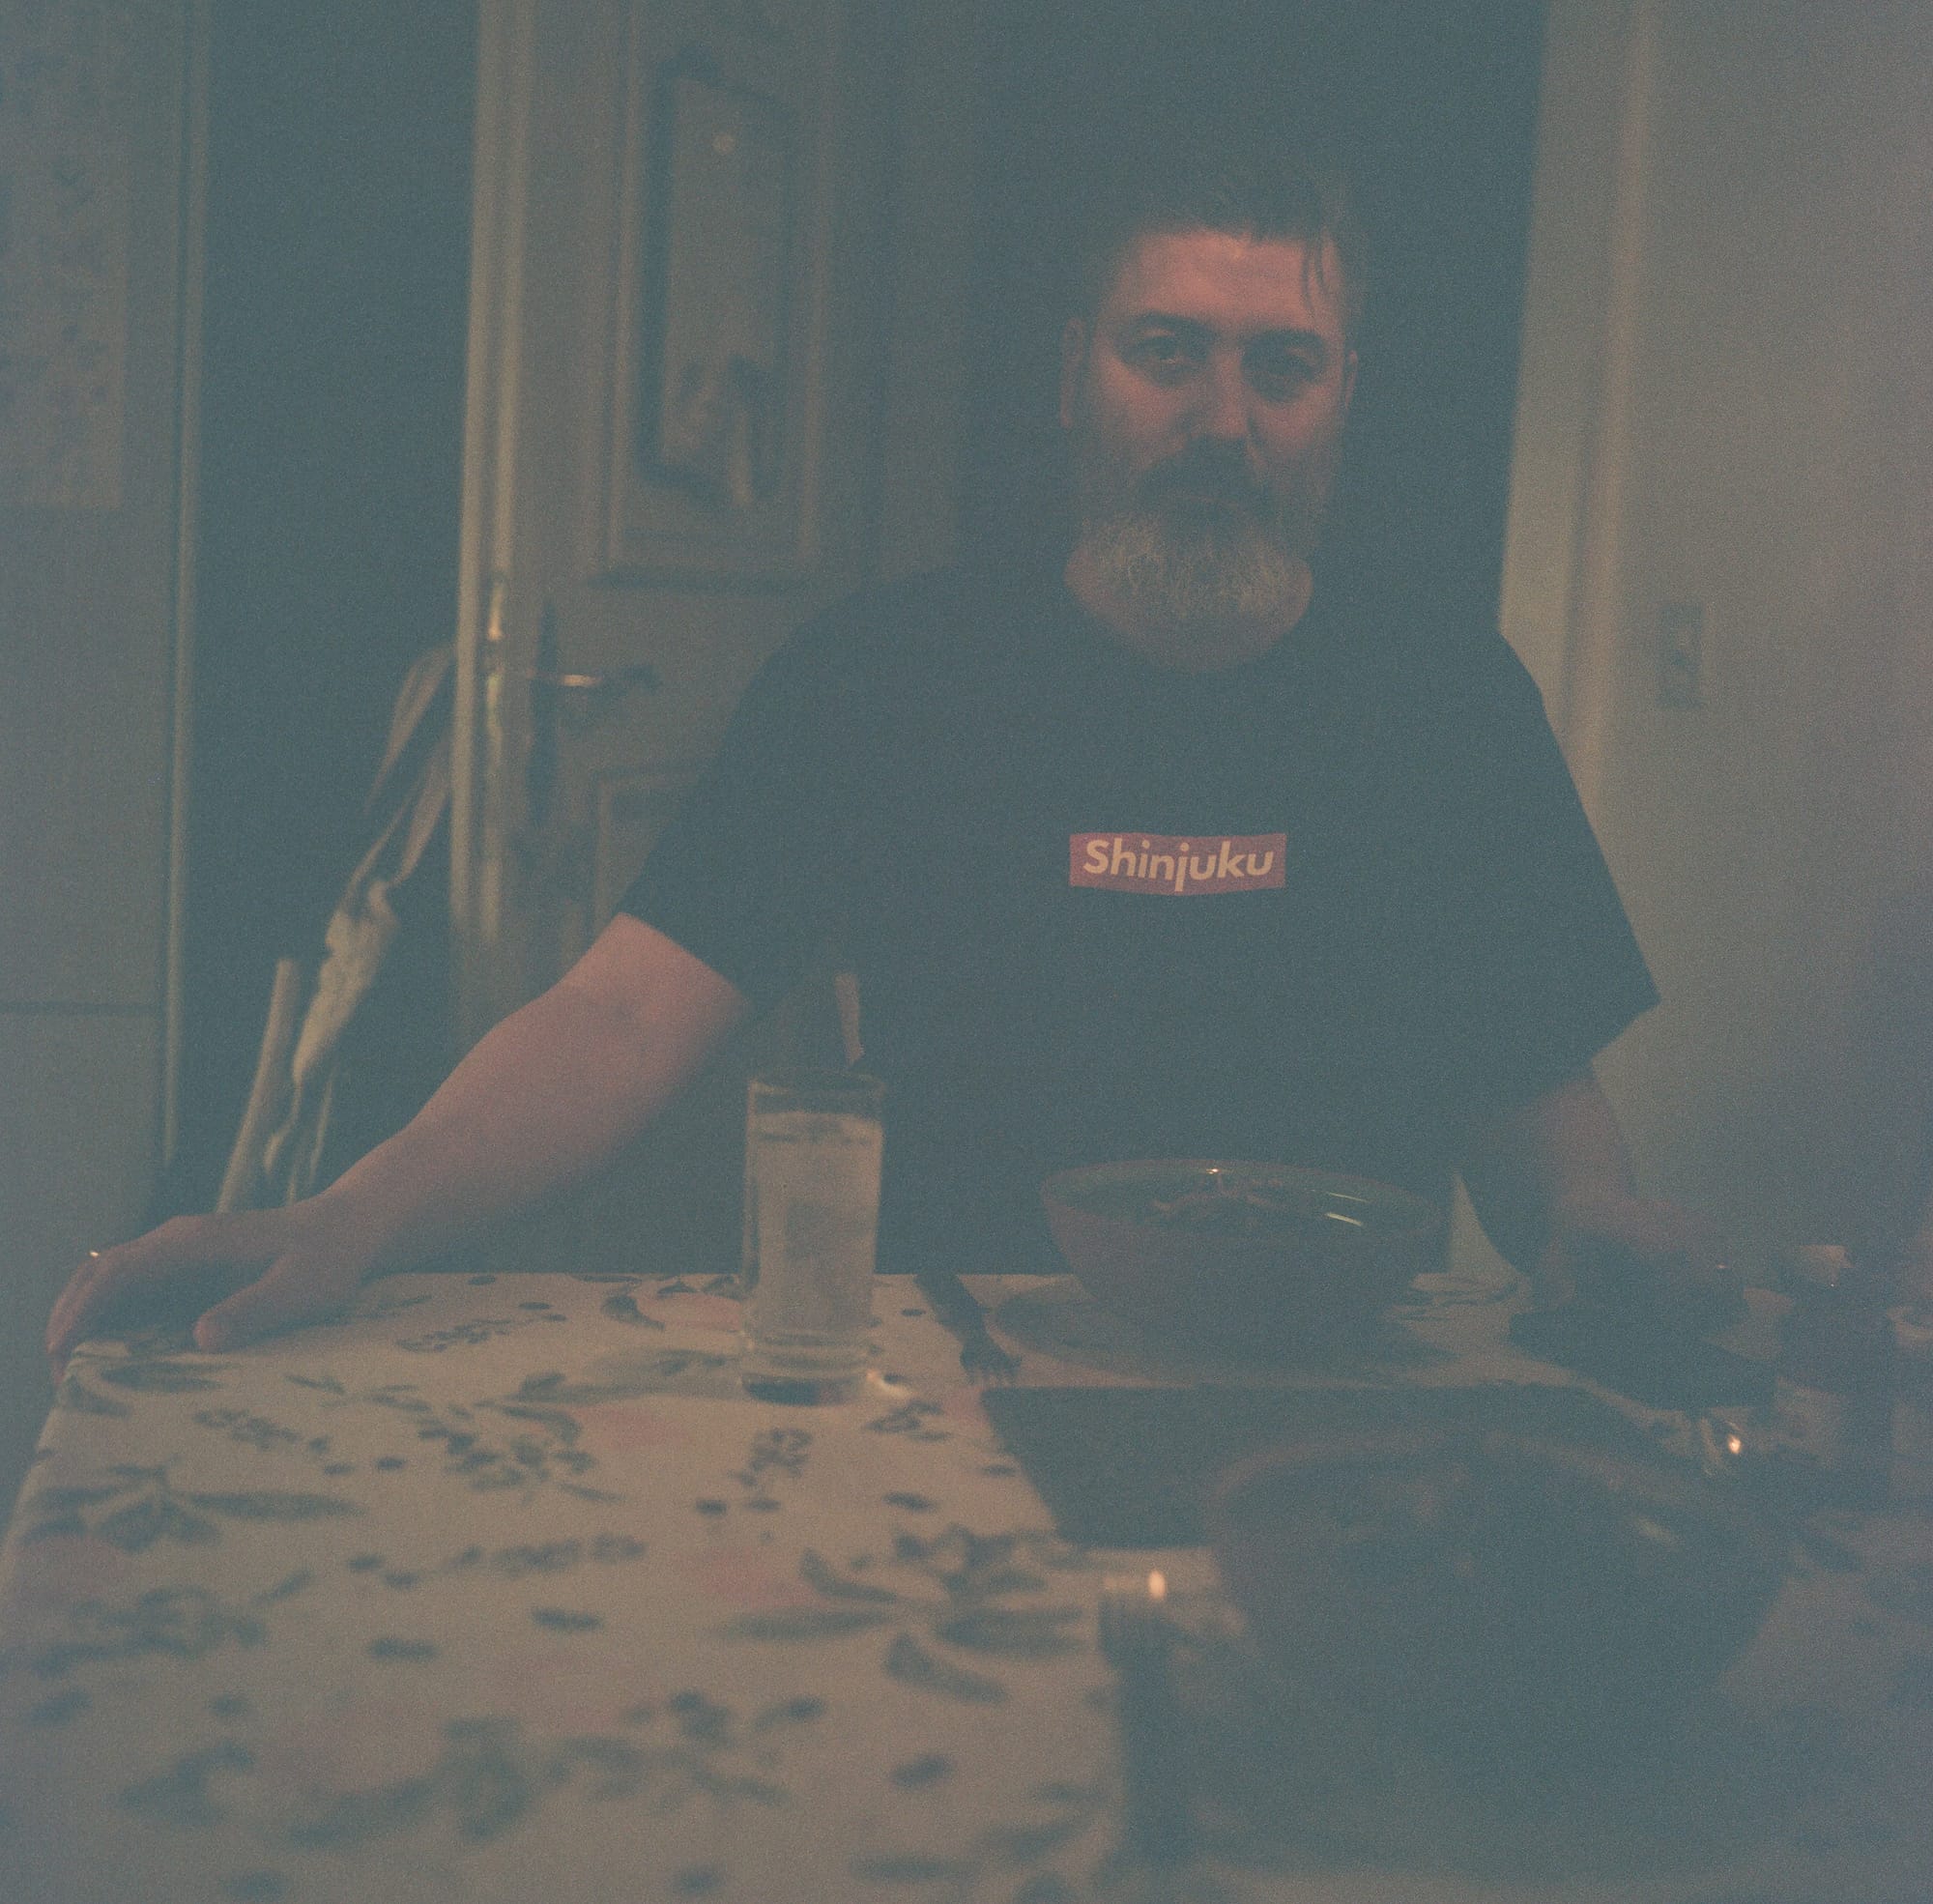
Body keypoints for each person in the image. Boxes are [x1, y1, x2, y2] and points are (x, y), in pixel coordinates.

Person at [47, 145, 1732, 1377]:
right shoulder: (885, 676)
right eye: (1167, 351)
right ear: (1074, 373)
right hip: (960, 1384)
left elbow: (1540, 1104)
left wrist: (1597, 1222)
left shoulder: (1450, 699)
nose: (1223, 421)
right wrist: (346, 1214)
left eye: (1279, 367)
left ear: (1345, 394)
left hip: (1347, 1399)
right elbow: (619, 1017)